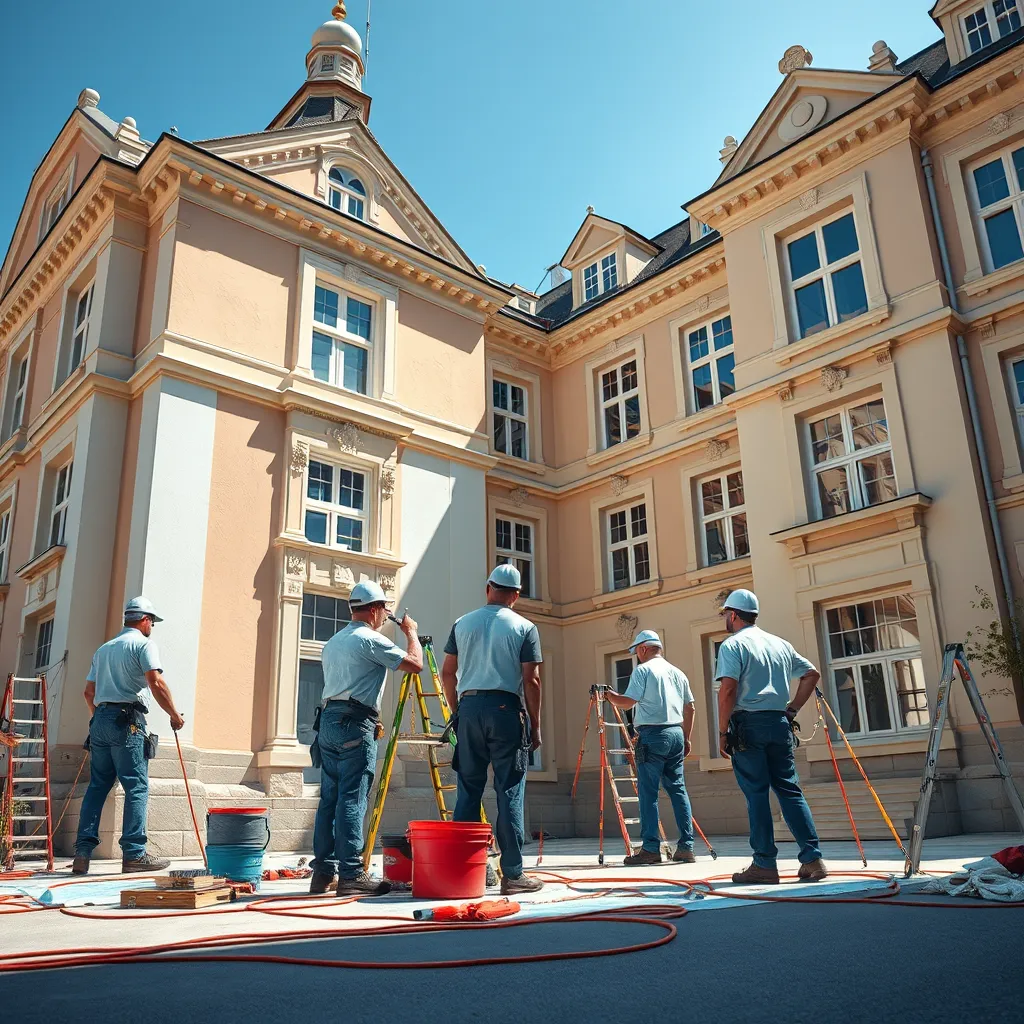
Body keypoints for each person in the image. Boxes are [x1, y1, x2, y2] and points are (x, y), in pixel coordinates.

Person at [309, 581, 422, 897]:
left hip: (328, 722)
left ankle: (322, 874)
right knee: (352, 798)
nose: (386, 616)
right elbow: (415, 665)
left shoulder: (333, 642)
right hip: (354, 722)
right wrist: (410, 632)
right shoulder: (369, 639)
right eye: (384, 610)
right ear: (373, 609)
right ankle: (351, 875)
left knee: (330, 799)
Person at [440, 563, 544, 895]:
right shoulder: (525, 627)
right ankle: (512, 875)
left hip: (469, 708)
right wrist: (536, 725)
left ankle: (461, 872)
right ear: (516, 595)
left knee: (468, 791)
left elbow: (447, 673)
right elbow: (531, 680)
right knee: (509, 791)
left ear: (488, 588)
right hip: (505, 711)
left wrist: (458, 712)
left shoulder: (461, 623)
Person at [715, 589, 828, 884]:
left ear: (734, 615)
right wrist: (791, 710)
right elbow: (812, 674)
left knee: (756, 794)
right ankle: (813, 860)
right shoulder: (779, 644)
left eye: (726, 614)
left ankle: (764, 864)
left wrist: (722, 731)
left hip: (748, 725)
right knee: (790, 790)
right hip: (779, 723)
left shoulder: (732, 645)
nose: (725, 619)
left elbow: (727, 690)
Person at [72, 597, 185, 875]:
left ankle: (82, 854)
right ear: (145, 620)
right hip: (128, 721)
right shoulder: (143, 644)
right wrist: (174, 715)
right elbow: (155, 682)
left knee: (97, 786)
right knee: (136, 786)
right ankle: (134, 854)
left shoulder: (103, 649)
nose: (152, 628)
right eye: (152, 623)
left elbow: (88, 692)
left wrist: (99, 718)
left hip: (100, 719)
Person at [604, 629, 696, 867]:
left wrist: (609, 696)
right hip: (676, 733)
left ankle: (650, 848)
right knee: (678, 790)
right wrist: (686, 738)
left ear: (643, 649)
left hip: (653, 735)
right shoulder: (677, 672)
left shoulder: (643, 671)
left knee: (648, 793)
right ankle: (686, 847)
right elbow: (690, 708)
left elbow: (628, 701)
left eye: (637, 652)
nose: (637, 657)